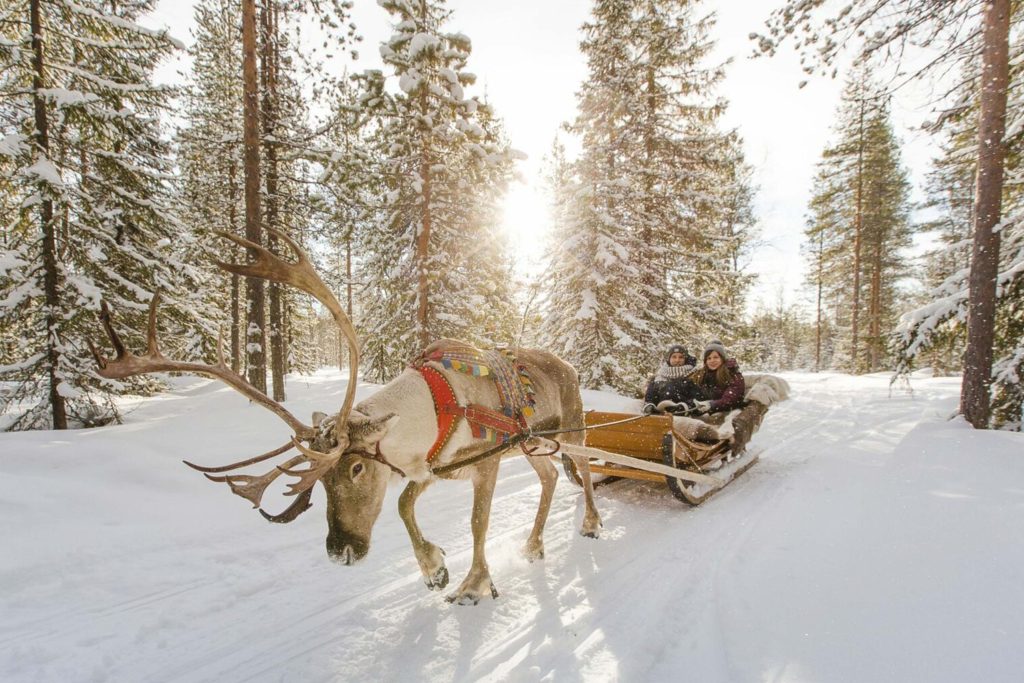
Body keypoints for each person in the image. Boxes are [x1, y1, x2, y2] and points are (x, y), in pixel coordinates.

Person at [683, 340, 745, 415]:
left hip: (720, 409)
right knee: (680, 384)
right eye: (709, 358)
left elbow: (730, 399)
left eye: (716, 357)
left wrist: (711, 404)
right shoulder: (702, 373)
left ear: (722, 358)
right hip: (701, 405)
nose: (712, 361)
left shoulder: (732, 374)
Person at [641, 344, 700, 414]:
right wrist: (649, 405)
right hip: (660, 413)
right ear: (669, 359)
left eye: (681, 357)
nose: (677, 360)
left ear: (685, 359)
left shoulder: (693, 375)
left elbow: (697, 397)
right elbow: (650, 396)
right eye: (674, 357)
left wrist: (685, 406)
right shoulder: (658, 377)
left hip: (683, 413)